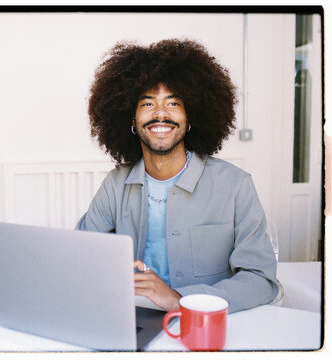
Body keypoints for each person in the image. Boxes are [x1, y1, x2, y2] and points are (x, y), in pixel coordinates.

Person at [76, 38, 280, 314]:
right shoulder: (115, 185)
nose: (160, 113)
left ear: (191, 116)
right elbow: (79, 257)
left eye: (173, 103)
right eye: (148, 104)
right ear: (132, 120)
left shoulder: (235, 185)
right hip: (134, 315)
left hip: (207, 323)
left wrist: (181, 301)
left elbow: (261, 280)